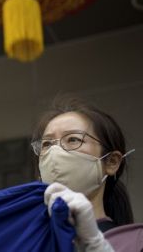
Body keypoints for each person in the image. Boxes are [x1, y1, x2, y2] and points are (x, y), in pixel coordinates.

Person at [31, 96, 142, 251]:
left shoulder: (136, 242)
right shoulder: (29, 243)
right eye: (47, 144)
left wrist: (95, 244)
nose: (54, 152)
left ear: (111, 162)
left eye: (73, 140)